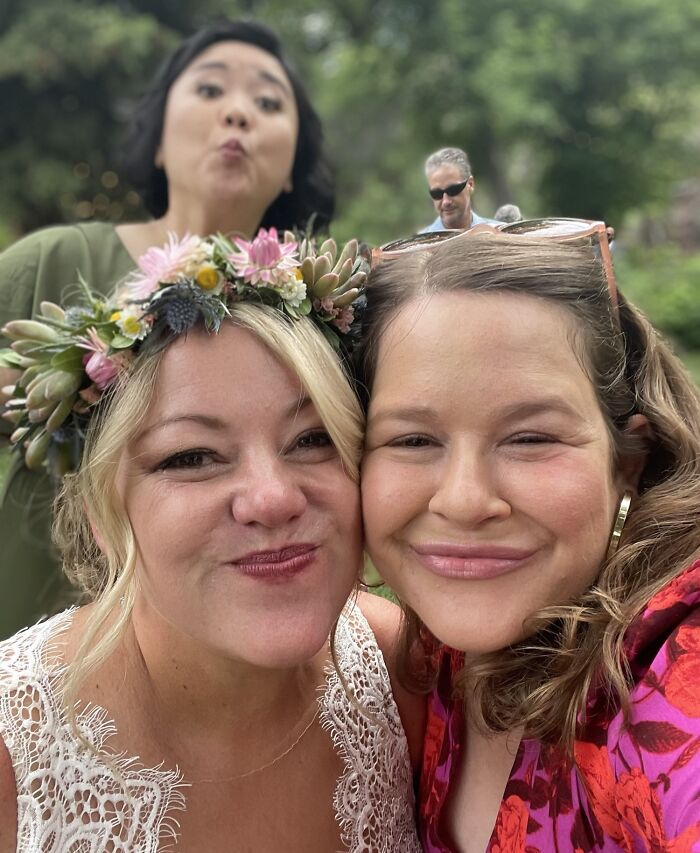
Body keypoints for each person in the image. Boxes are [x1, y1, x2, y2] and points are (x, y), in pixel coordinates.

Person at [0, 230, 423, 851]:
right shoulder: (13, 754)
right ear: (102, 510)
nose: (273, 498)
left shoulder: (408, 676)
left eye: (312, 439)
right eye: (193, 456)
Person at [357, 225, 700, 851]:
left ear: (629, 461)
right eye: (413, 440)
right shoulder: (426, 660)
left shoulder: (672, 673)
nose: (464, 501)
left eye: (530, 438)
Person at [0, 19, 335, 638]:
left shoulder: (324, 306)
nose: (238, 113)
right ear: (157, 142)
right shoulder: (49, 265)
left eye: (267, 102)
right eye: (210, 91)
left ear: (293, 165)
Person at [420, 147, 501, 233]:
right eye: (437, 194)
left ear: (470, 184)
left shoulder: (501, 235)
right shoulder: (418, 245)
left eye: (453, 190)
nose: (446, 202)